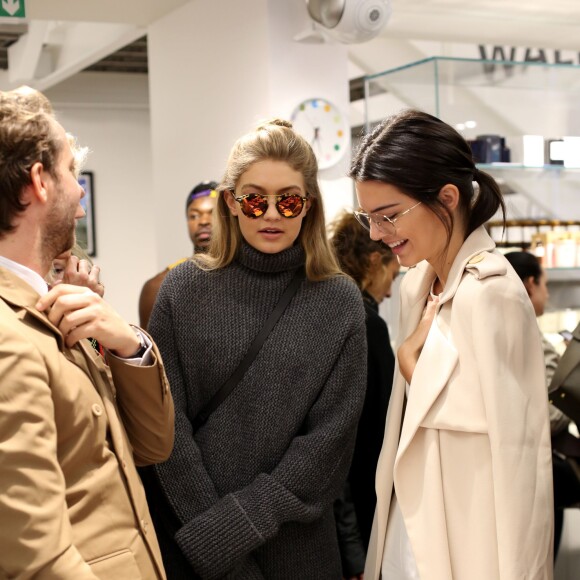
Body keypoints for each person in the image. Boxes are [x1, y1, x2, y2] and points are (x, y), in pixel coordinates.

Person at [142, 119, 367, 579]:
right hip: (197, 550)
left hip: (296, 551)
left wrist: (230, 530)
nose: (271, 214)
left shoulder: (339, 300)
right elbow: (166, 427)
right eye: (254, 199)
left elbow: (329, 445)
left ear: (308, 206)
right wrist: (214, 541)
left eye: (288, 200)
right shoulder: (183, 289)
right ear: (231, 201)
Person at [350, 109, 554, 580]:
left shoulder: (493, 291)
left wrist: (409, 365)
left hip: (473, 539)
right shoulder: (416, 284)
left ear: (446, 198)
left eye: (388, 216)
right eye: (369, 218)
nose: (378, 235)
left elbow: (520, 456)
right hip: (412, 528)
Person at [0, 87, 175, 578]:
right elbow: (38, 559)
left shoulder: (49, 307)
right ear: (38, 181)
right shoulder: (8, 340)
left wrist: (128, 345)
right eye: (72, 171)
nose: (80, 197)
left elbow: (149, 446)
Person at [329, 211, 399, 578]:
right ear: (375, 262)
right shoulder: (367, 324)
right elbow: (372, 435)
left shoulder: (329, 313)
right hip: (360, 511)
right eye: (393, 274)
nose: (390, 290)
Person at [504, 250, 580, 559]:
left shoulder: (499, 332)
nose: (547, 293)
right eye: (545, 284)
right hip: (538, 473)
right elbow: (549, 412)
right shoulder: (530, 335)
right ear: (531, 283)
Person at [138, 181, 218, 329]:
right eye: (194, 216)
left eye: (213, 214)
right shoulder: (157, 286)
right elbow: (148, 350)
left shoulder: (244, 277)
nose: (203, 221)